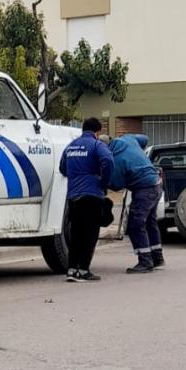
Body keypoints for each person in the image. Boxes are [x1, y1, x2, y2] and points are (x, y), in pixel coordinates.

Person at [59, 117, 114, 282]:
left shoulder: (71, 146)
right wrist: (103, 182)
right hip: (92, 195)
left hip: (73, 196)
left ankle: (71, 270)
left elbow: (62, 167)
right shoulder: (97, 145)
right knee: (90, 234)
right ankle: (83, 270)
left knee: (75, 233)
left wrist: (75, 177)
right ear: (97, 133)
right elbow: (108, 161)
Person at [108, 134, 164, 273]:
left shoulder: (115, 160)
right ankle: (157, 257)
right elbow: (145, 139)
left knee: (135, 224)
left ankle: (145, 261)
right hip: (156, 182)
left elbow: (116, 185)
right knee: (150, 222)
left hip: (144, 189)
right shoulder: (128, 140)